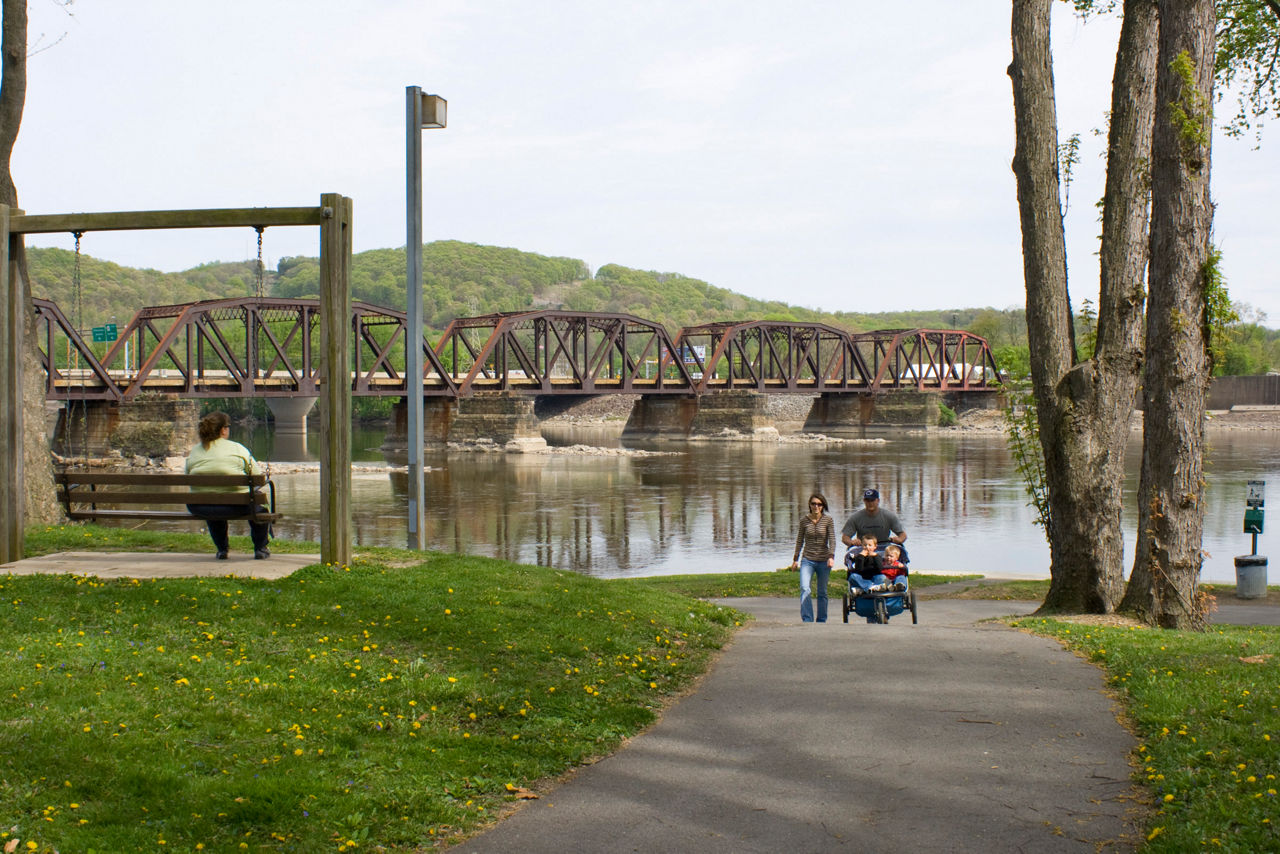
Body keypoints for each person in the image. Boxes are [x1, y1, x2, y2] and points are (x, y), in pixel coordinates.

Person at [185, 411, 271, 560]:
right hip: (236, 506)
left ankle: (222, 550)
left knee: (213, 507)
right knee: (258, 507)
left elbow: (187, 474)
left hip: (200, 506)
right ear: (223, 430)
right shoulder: (237, 448)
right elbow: (257, 477)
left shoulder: (195, 450)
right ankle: (260, 548)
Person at [790, 492, 836, 623]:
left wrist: (831, 556)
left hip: (823, 559)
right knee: (805, 588)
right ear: (809, 505)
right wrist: (795, 559)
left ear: (823, 506)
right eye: (813, 504)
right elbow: (800, 540)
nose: (816, 506)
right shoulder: (804, 520)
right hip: (807, 559)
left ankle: (821, 619)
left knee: (822, 592)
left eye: (819, 504)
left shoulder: (828, 520)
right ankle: (807, 619)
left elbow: (832, 539)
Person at [841, 488, 908, 554]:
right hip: (864, 549)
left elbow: (903, 535)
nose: (870, 503)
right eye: (867, 500)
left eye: (872, 500)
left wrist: (899, 539)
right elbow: (845, 538)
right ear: (864, 501)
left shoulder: (889, 516)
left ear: (878, 500)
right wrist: (852, 542)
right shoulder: (855, 518)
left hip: (884, 548)